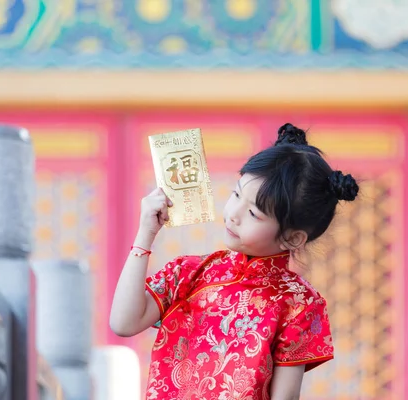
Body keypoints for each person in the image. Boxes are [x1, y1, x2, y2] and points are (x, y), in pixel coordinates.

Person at [110, 123, 359, 400]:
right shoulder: (190, 273)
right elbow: (124, 322)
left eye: (253, 213)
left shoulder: (298, 303)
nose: (233, 214)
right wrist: (145, 234)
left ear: (292, 237)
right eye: (236, 194)